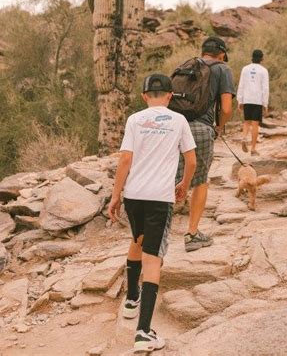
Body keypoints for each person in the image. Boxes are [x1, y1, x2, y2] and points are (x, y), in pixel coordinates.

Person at [108, 73, 197, 354]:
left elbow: (125, 159)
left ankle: (132, 298)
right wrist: (184, 184)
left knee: (137, 240)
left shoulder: (135, 119)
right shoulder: (179, 120)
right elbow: (191, 159)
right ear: (170, 95)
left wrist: (115, 195)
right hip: (159, 197)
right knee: (153, 257)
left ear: (145, 96)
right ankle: (144, 332)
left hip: (133, 195)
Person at [175, 35, 235, 252]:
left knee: (174, 177)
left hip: (174, 126)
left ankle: (155, 232)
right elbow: (226, 108)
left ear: (203, 51)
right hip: (201, 129)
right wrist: (219, 126)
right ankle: (192, 234)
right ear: (221, 53)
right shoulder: (222, 69)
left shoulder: (187, 65)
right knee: (200, 180)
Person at [237, 49, 269, 155]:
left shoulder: (245, 69)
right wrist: (265, 103)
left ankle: (244, 137)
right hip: (257, 100)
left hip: (247, 99)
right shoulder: (263, 71)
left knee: (247, 122)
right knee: (255, 124)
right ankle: (253, 149)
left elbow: (241, 84)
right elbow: (265, 88)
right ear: (261, 58)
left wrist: (240, 100)